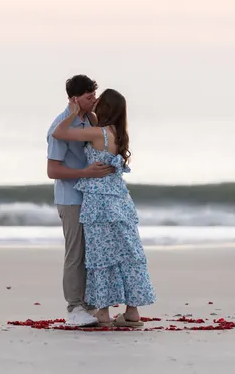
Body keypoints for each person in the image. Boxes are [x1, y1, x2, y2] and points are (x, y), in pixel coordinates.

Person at [51, 88, 156, 328]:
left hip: (99, 202)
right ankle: (132, 312)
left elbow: (59, 133)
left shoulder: (98, 133)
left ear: (105, 108)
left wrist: (73, 112)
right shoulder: (118, 134)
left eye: (100, 101)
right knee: (127, 253)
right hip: (120, 199)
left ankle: (103, 311)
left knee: (101, 255)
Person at [46, 75, 114, 327]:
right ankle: (74, 307)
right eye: (89, 97)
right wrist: (85, 173)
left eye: (94, 95)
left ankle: (88, 305)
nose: (94, 100)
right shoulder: (59, 128)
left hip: (91, 197)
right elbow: (53, 171)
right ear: (75, 99)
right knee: (75, 253)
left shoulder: (90, 119)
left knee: (91, 252)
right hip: (71, 198)